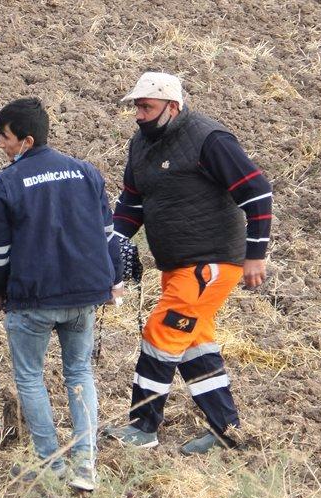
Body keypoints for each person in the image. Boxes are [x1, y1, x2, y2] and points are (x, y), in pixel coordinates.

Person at [105, 72, 273, 454]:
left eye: (146, 106)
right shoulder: (141, 144)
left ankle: (143, 426)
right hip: (177, 266)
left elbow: (257, 191)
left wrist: (255, 255)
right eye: (136, 107)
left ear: (172, 106)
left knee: (160, 333)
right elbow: (131, 203)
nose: (138, 115)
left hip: (209, 263)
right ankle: (226, 430)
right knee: (195, 343)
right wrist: (110, 244)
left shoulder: (209, 138)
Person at [0, 98, 123, 491]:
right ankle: (85, 466)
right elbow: (109, 237)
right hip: (83, 297)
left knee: (29, 376)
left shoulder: (7, 183)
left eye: (4, 136)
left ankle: (52, 466)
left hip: (33, 300)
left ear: (26, 140)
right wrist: (112, 280)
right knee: (80, 372)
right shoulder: (86, 173)